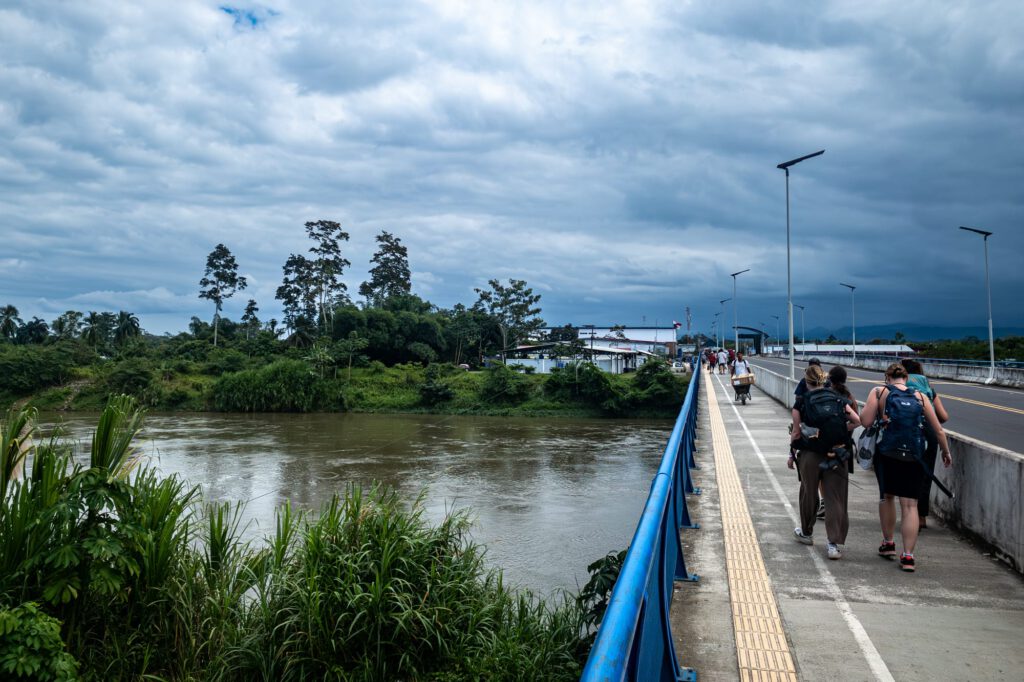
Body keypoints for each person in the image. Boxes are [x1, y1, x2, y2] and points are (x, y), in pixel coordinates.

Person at [860, 362, 952, 572]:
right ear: (907, 378)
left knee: (887, 497)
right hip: (914, 455)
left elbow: (865, 422)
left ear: (887, 377)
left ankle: (888, 543)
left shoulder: (879, 391)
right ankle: (908, 556)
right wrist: (946, 452)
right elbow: (938, 430)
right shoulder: (921, 396)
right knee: (910, 505)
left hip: (887, 454)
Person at [788, 365, 861, 559]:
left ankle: (806, 533)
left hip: (811, 453)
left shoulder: (801, 402)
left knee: (809, 492)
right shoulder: (838, 398)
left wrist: (791, 454)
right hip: (837, 452)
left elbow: (796, 432)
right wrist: (838, 430)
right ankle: (833, 545)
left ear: (807, 381)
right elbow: (857, 420)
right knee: (834, 497)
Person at [900, 359, 949, 530]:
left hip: (904, 433)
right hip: (928, 433)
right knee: (925, 475)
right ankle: (921, 517)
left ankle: (907, 515)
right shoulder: (928, 390)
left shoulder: (898, 387)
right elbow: (943, 417)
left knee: (905, 474)